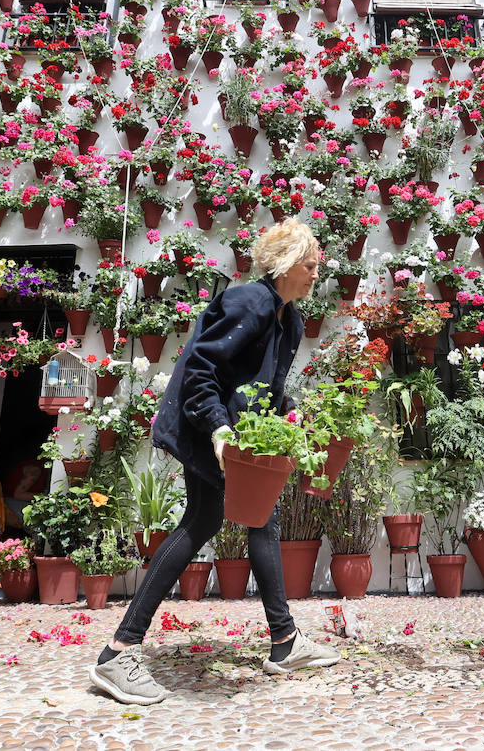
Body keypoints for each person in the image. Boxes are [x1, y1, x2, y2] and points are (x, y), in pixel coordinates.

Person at [89, 219, 339, 705]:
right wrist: (219, 430)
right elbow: (201, 369)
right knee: (200, 522)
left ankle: (285, 641)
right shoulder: (250, 301)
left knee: (262, 521)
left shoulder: (290, 320)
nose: (315, 276)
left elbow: (265, 387)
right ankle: (119, 652)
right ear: (286, 264)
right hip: (211, 432)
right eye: (310, 267)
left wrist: (290, 415)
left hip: (241, 438)